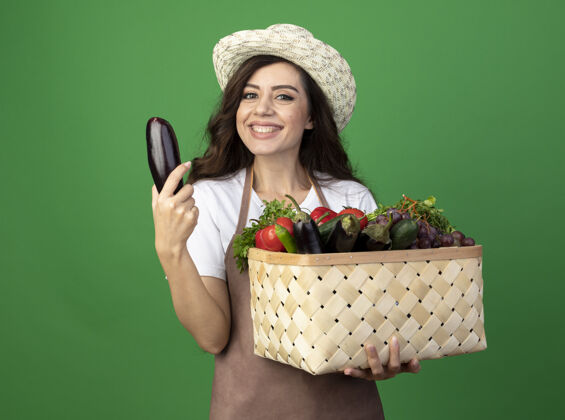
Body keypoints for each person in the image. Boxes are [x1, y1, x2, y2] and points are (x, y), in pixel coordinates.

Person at [151, 24, 420, 419]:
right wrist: (171, 249)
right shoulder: (211, 198)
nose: (262, 109)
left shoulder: (351, 199)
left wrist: (385, 356)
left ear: (310, 117)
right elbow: (212, 337)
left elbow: (374, 318)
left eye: (283, 96)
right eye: (250, 95)